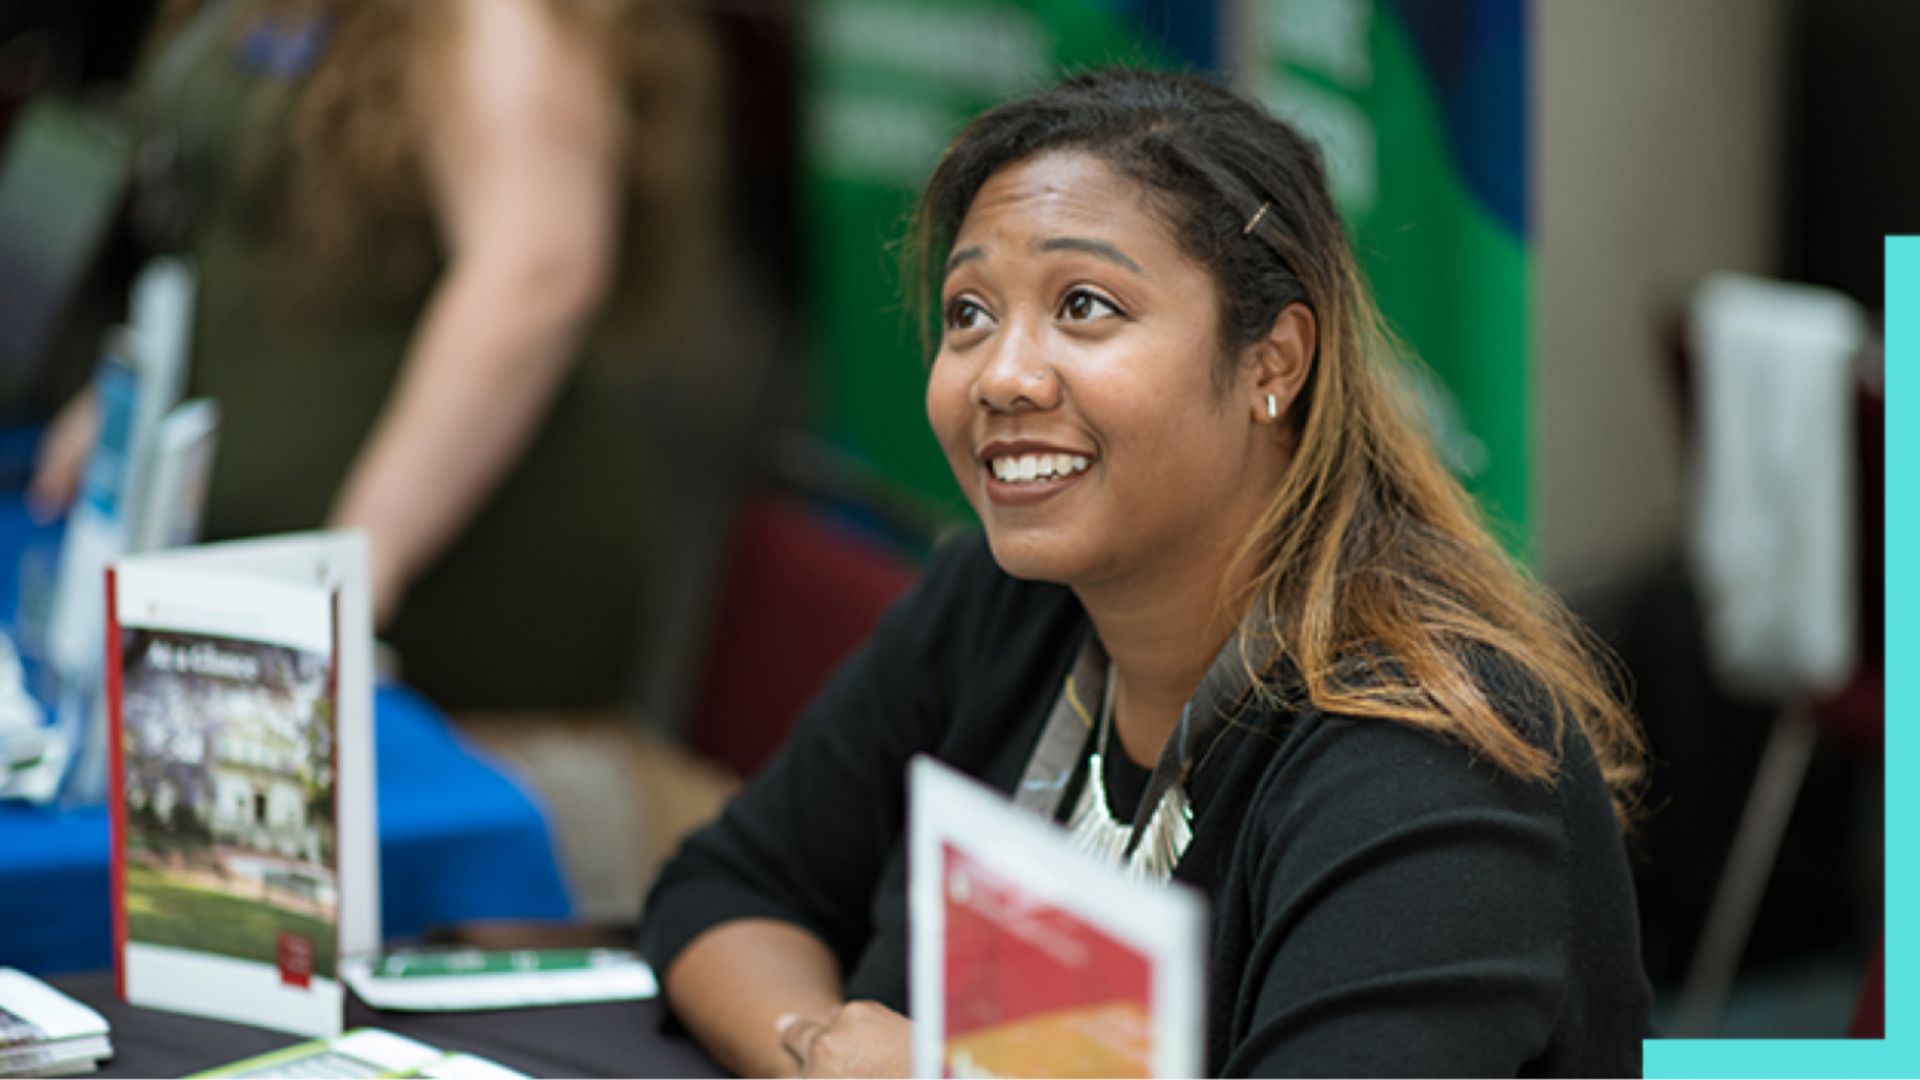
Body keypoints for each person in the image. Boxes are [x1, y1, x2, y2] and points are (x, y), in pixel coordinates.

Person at [640, 69, 1651, 1077]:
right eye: (970, 314)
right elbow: (728, 888)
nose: (1001, 376)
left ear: (1273, 363)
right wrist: (814, 1051)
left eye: (1084, 306)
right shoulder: (1005, 605)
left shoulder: (1429, 761)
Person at [28, 0, 718, 708]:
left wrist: (364, 550)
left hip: (451, 586)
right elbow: (235, 228)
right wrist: (135, 400)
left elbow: (538, 273)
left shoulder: (487, 19)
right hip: (241, 563)